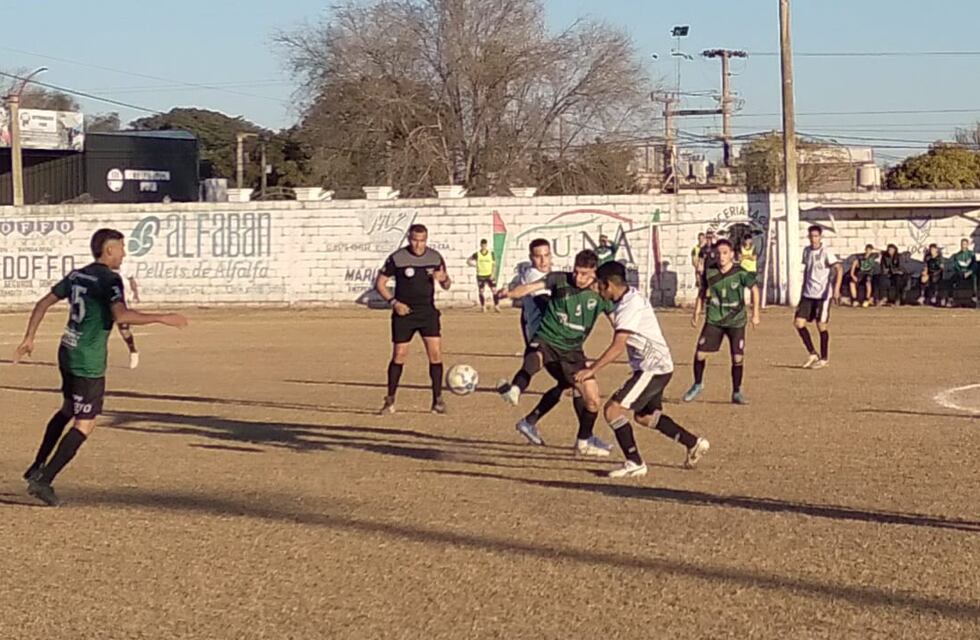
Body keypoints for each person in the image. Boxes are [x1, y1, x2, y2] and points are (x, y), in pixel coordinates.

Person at [14, 228, 188, 507]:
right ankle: (43, 480)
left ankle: (37, 465)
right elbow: (122, 315)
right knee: (85, 423)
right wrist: (162, 317)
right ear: (109, 250)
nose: (124, 253)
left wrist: (29, 338)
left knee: (68, 409)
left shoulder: (78, 275)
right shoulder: (110, 279)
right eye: (121, 247)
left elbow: (43, 303)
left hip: (67, 350)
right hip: (87, 360)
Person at [575, 261, 710, 478]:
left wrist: (592, 369)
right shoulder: (628, 298)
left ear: (608, 285)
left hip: (653, 367)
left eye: (599, 285)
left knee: (612, 410)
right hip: (657, 366)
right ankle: (693, 443)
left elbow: (618, 346)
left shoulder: (629, 306)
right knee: (645, 417)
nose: (597, 290)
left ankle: (635, 462)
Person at [497, 250, 613, 456]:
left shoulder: (601, 294)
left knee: (592, 398)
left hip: (573, 353)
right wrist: (510, 293)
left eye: (584, 274)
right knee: (537, 356)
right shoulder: (559, 279)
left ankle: (583, 439)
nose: (578, 277)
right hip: (548, 339)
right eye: (576, 271)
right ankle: (516, 390)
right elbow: (530, 287)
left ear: (594, 272)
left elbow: (618, 324)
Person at [375, 224, 452, 415]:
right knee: (399, 355)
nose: (418, 244)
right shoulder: (397, 258)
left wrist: (443, 279)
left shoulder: (435, 257)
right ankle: (390, 400)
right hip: (404, 314)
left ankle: (437, 400)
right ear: (409, 239)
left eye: (422, 240)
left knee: (435, 355)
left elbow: (447, 284)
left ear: (426, 239)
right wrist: (394, 303)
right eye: (415, 240)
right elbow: (380, 283)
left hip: (427, 312)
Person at [684, 239, 761, 404]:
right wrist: (696, 312)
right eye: (718, 253)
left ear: (732, 254)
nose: (721, 256)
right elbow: (702, 292)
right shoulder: (710, 272)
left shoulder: (740, 272)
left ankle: (737, 392)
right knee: (700, 354)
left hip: (736, 320)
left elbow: (755, 289)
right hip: (715, 319)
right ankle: (697, 384)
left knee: (737, 357)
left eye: (725, 253)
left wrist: (755, 314)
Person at [496, 239, 552, 406]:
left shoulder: (548, 275)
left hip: (539, 327)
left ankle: (515, 389)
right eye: (538, 256)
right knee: (541, 361)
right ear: (531, 257)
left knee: (534, 360)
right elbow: (543, 301)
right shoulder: (533, 275)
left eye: (546, 255)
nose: (543, 260)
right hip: (542, 329)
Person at [794, 225, 842, 369]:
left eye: (816, 236)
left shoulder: (826, 252)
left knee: (821, 325)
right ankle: (813, 353)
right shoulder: (806, 251)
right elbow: (807, 271)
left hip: (822, 295)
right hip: (808, 294)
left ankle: (824, 358)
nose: (813, 239)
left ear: (820, 237)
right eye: (811, 236)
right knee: (798, 323)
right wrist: (802, 290)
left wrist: (836, 289)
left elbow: (839, 268)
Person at [116, 263, 141, 368]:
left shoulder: (124, 267)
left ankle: (133, 351)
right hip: (106, 303)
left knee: (124, 331)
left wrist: (135, 294)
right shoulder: (103, 269)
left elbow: (132, 280)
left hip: (122, 303)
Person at [467, 239, 500, 313]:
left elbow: (494, 265)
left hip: (489, 275)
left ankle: (496, 306)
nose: (484, 246)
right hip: (480, 275)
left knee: (494, 290)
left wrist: (493, 274)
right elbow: (468, 260)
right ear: (480, 245)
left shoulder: (491, 254)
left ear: (486, 245)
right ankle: (483, 306)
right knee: (481, 291)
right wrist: (475, 265)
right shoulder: (477, 254)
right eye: (482, 245)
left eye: (485, 245)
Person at [949, 238, 978, 305]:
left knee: (974, 278)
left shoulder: (972, 254)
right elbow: (955, 266)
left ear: (967, 245)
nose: (963, 246)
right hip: (960, 273)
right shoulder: (957, 255)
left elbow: (974, 265)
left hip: (969, 273)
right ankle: (950, 298)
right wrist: (961, 273)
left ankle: (974, 297)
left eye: (965, 244)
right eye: (962, 244)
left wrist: (969, 272)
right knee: (952, 279)